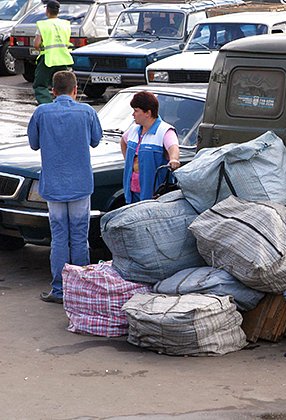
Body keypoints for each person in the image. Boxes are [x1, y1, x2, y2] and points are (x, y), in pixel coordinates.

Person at [27, 71, 102, 303]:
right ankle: (79, 291)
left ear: (53, 91)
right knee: (80, 237)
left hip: (54, 186)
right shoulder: (87, 111)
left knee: (59, 237)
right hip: (80, 184)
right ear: (75, 90)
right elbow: (96, 140)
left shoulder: (41, 112)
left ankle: (59, 290)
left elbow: (33, 144)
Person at [120, 91, 180, 204]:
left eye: (136, 111)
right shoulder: (134, 129)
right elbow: (123, 141)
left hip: (153, 196)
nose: (133, 114)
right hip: (132, 192)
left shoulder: (164, 130)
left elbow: (173, 147)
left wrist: (174, 159)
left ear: (147, 113)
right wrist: (128, 163)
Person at [32, 0, 74, 105]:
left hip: (48, 59)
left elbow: (36, 44)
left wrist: (40, 48)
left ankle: (47, 105)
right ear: (58, 11)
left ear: (47, 10)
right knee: (63, 85)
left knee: (40, 85)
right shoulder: (65, 24)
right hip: (63, 58)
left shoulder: (43, 25)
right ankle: (65, 105)